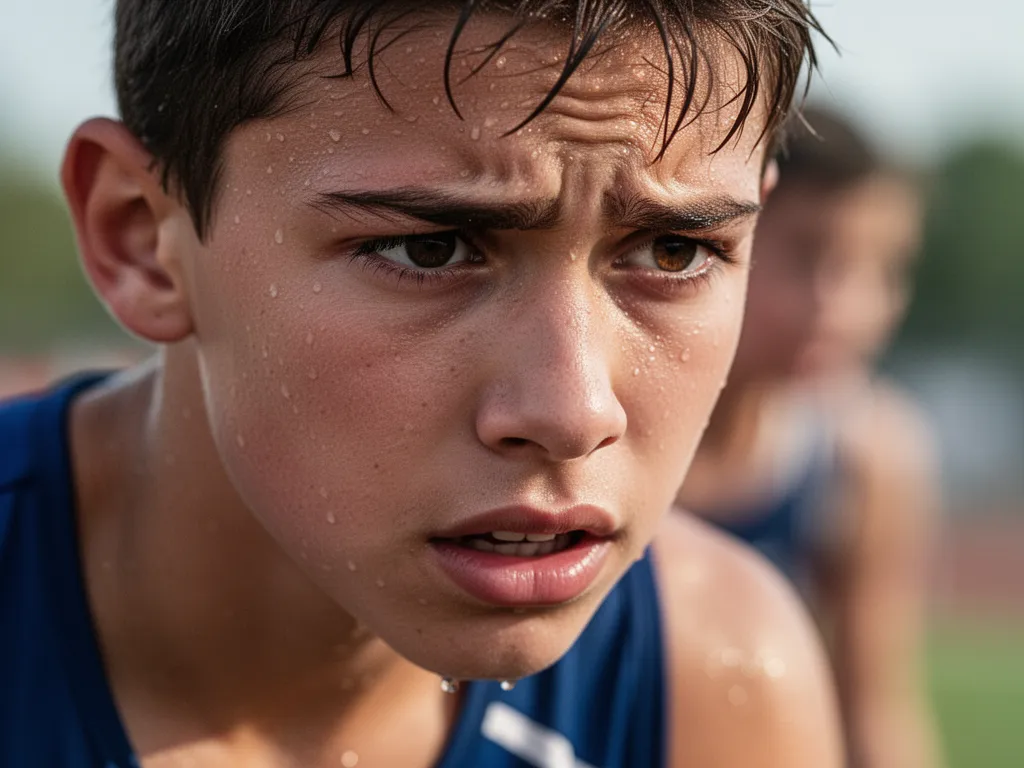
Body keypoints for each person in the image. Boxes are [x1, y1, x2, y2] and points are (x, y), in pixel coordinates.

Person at [0, 3, 843, 766]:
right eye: (429, 249)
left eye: (674, 252)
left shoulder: (713, 679)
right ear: (141, 237)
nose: (572, 411)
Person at [678, 106, 944, 768]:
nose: (844, 306)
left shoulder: (864, 457)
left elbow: (874, 710)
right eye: (808, 257)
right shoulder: (600, 425)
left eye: (884, 269)